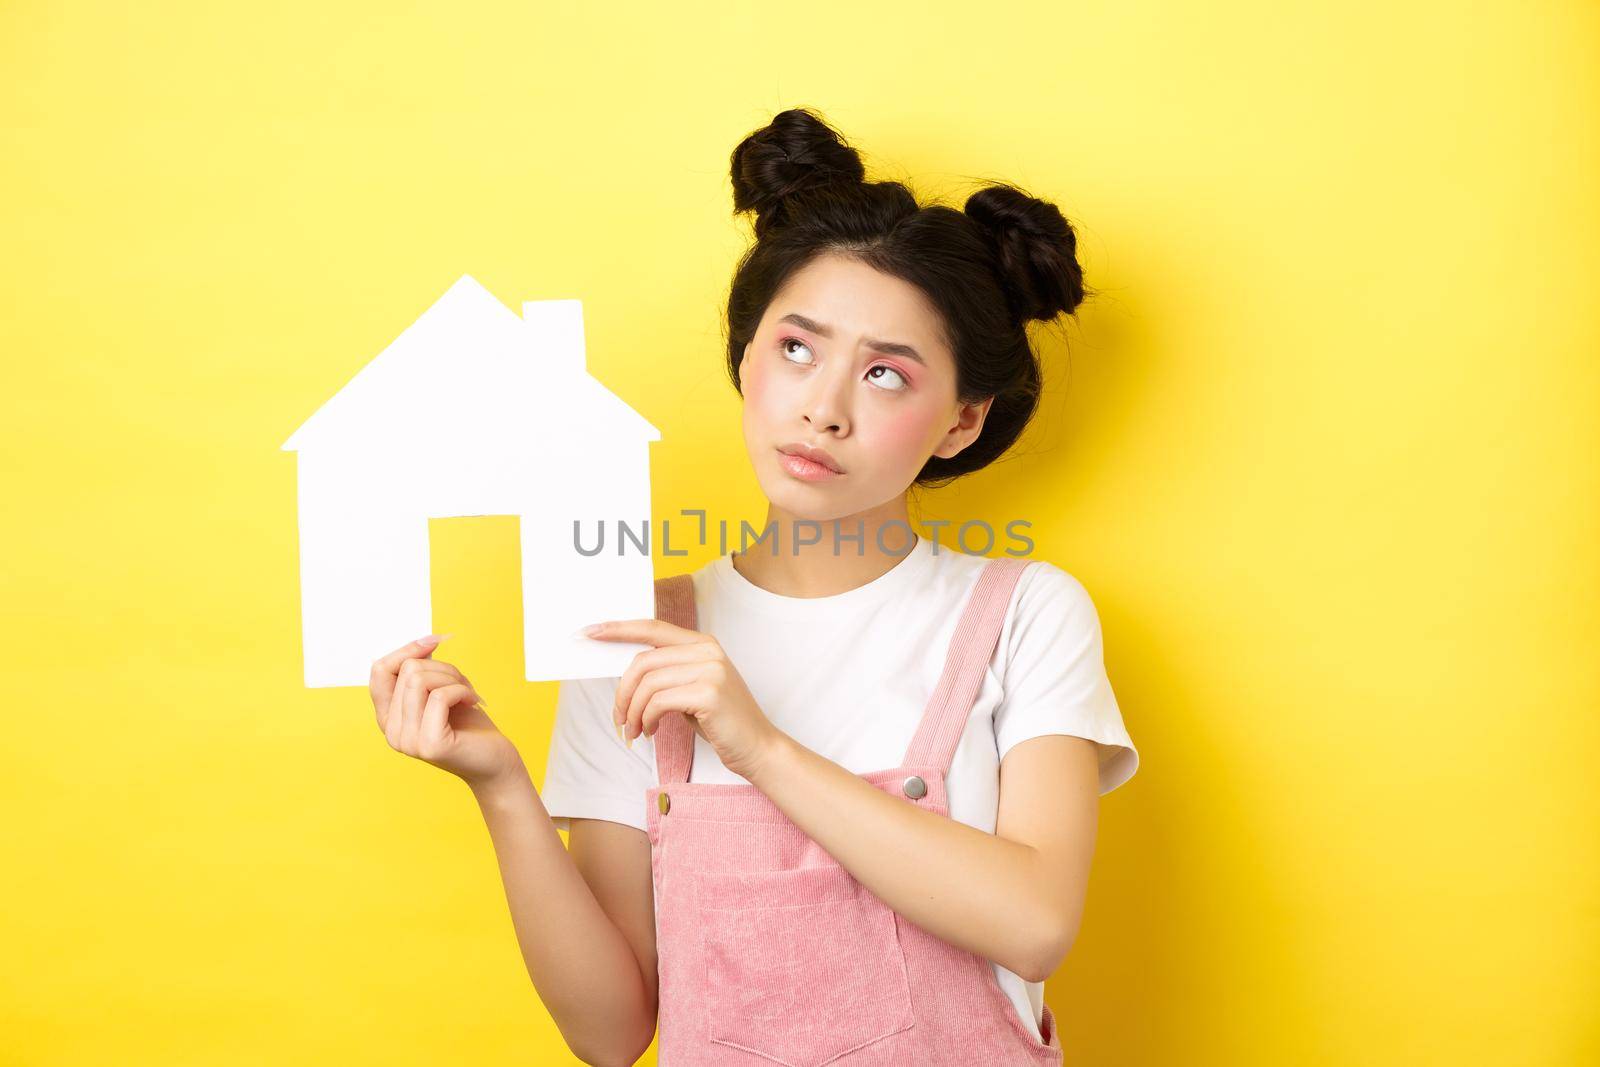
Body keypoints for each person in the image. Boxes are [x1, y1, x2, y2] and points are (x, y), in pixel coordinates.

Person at [367, 106, 1139, 1066]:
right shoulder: (630, 631)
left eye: (889, 375)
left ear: (961, 421)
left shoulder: (1026, 612)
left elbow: (1033, 921)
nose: (824, 407)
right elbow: (611, 1033)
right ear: (746, 357)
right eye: (797, 348)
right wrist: (503, 787)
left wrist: (759, 745)